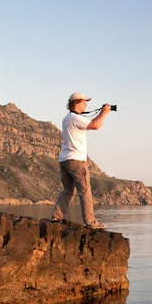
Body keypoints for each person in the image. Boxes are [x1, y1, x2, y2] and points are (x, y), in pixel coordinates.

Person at [51, 92, 111, 229]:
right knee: (85, 191)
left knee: (68, 191)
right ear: (77, 103)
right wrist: (105, 112)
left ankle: (56, 217)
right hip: (77, 161)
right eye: (84, 102)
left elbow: (90, 123)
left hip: (65, 160)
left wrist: (101, 112)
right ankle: (90, 222)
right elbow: (95, 126)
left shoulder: (67, 118)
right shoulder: (76, 118)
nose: (86, 104)